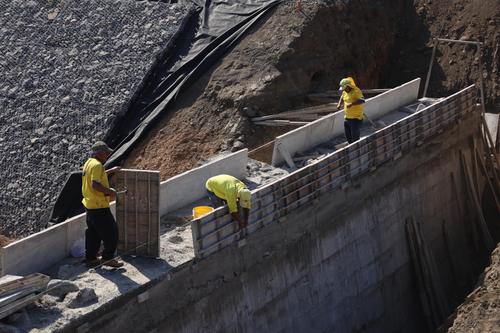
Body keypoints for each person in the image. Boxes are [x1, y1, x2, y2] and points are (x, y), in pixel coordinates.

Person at [82, 141, 123, 268]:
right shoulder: (97, 165)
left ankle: (91, 258)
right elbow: (95, 184)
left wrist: (110, 171)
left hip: (90, 204)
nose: (107, 155)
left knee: (93, 233)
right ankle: (108, 258)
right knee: (112, 232)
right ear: (99, 153)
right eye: (106, 153)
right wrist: (110, 192)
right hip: (99, 206)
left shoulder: (89, 163)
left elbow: (96, 176)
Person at [337, 77, 365, 143]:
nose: (344, 90)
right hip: (347, 118)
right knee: (348, 137)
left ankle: (356, 149)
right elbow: (342, 97)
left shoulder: (356, 91)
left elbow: (362, 100)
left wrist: (352, 104)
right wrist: (339, 104)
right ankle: (350, 146)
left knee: (355, 137)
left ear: (348, 86)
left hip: (356, 118)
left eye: (344, 88)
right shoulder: (345, 92)